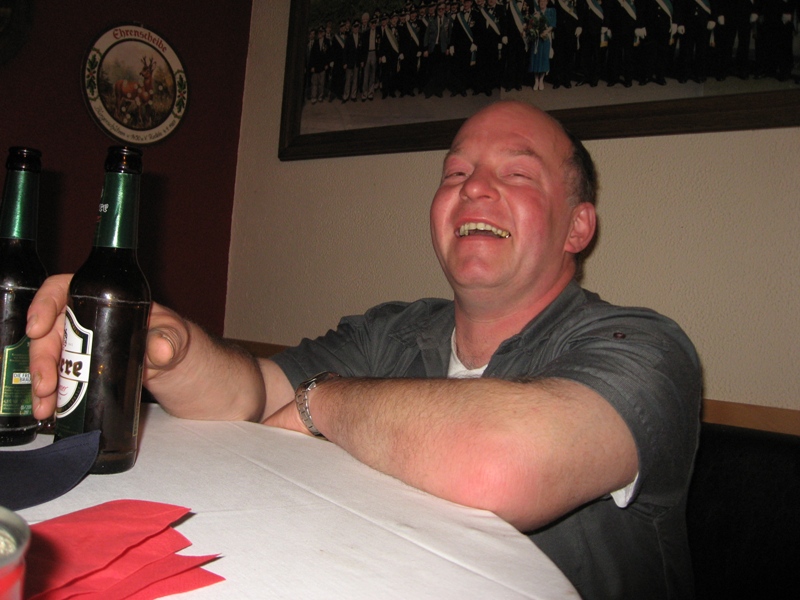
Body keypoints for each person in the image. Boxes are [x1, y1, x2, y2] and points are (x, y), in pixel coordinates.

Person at [27, 101, 701, 600]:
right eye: (456, 171)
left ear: (578, 227)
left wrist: (322, 401)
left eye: (517, 173)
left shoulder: (647, 349)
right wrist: (163, 342)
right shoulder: (392, 331)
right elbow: (251, 395)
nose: (473, 186)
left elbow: (502, 466)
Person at [529, 0, 557, 89]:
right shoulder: (536, 13)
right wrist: (537, 31)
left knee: (544, 59)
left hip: (546, 38)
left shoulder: (551, 11)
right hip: (537, 39)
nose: (542, 3)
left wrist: (546, 31)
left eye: (544, 1)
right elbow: (531, 25)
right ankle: (536, 81)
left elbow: (553, 24)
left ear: (547, 2)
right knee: (536, 59)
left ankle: (541, 80)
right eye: (541, 1)